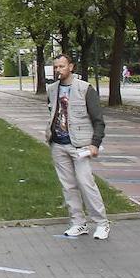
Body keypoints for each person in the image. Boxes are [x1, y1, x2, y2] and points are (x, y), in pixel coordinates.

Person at [46, 55, 110, 239]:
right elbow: (53, 112)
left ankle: (101, 223)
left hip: (80, 145)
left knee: (86, 183)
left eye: (62, 66)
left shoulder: (85, 89)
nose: (58, 70)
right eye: (56, 66)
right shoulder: (52, 89)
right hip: (58, 143)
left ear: (71, 67)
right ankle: (78, 223)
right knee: (68, 186)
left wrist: (95, 144)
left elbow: (98, 120)